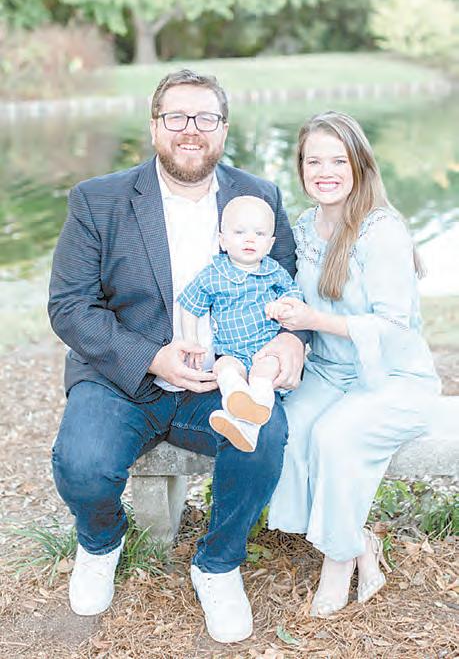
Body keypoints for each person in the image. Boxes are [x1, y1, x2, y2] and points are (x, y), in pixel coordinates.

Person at [48, 69, 306, 644]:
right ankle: (101, 542)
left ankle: (218, 564)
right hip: (121, 379)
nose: (191, 129)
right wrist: (151, 357)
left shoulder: (258, 197)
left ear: (224, 128)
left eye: (205, 117)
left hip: (225, 378)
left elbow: (290, 285)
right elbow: (69, 307)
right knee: (82, 467)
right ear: (155, 126)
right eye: (177, 117)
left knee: (262, 436)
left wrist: (293, 339)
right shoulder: (97, 200)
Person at [266, 111, 440, 618]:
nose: (325, 172)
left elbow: (394, 327)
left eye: (338, 161)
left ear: (359, 164)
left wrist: (314, 319)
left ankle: (339, 560)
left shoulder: (382, 231)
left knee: (334, 437)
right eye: (313, 161)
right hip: (329, 371)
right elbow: (297, 297)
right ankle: (359, 540)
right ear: (300, 168)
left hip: (391, 377)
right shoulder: (305, 225)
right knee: (286, 429)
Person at [178, 195, 303, 452]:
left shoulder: (273, 272)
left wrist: (284, 305)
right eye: (239, 232)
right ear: (222, 240)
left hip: (265, 351)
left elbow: (294, 294)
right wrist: (191, 341)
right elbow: (189, 304)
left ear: (270, 244)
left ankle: (245, 419)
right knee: (223, 368)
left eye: (259, 233)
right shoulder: (214, 274)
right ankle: (239, 405)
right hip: (231, 353)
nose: (249, 239)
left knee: (264, 373)